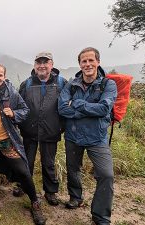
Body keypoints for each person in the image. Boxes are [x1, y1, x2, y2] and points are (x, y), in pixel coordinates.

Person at [0, 64, 46, 225]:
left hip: (7, 139)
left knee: (23, 171)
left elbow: (25, 110)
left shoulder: (11, 92)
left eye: (0, 75)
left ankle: (35, 202)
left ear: (4, 76)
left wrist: (14, 113)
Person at [58, 47, 117, 225]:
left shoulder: (108, 85)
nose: (88, 64)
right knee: (73, 168)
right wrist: (88, 110)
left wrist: (76, 104)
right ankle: (76, 197)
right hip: (73, 136)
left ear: (98, 62)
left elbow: (104, 108)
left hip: (97, 138)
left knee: (106, 175)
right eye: (84, 61)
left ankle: (100, 217)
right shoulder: (71, 84)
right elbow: (62, 108)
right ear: (80, 64)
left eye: (91, 60)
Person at [18, 52, 67, 205]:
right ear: (34, 65)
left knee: (49, 163)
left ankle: (50, 192)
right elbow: (20, 107)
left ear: (51, 64)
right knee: (26, 161)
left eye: (45, 62)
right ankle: (23, 186)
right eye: (38, 62)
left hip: (51, 131)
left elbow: (66, 107)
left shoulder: (61, 83)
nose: (42, 65)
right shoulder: (26, 84)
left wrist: (61, 127)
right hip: (29, 130)